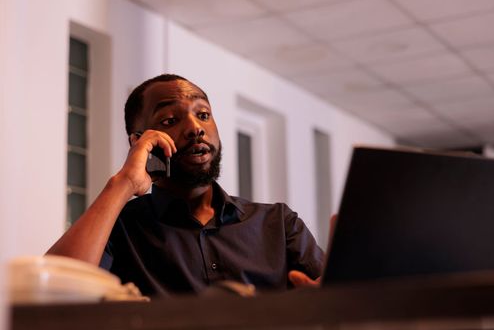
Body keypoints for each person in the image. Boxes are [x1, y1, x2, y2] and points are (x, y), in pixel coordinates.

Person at [47, 74, 324, 296]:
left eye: (203, 114)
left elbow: (339, 300)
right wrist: (125, 182)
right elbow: (53, 291)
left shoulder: (278, 223)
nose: (195, 128)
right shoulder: (121, 229)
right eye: (170, 120)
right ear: (139, 142)